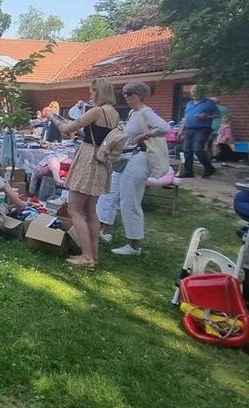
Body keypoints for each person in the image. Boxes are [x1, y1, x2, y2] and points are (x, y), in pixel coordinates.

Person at [97, 82, 171, 256]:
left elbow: (165, 128)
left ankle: (134, 245)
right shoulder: (133, 113)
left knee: (130, 199)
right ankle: (105, 231)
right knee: (109, 192)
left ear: (139, 95)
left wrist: (147, 135)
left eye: (130, 93)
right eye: (124, 93)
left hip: (140, 159)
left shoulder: (146, 112)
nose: (126, 96)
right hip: (126, 157)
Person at [54, 78, 120, 270]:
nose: (90, 95)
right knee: (91, 211)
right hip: (101, 161)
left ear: (99, 92)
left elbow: (66, 129)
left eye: (92, 91)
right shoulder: (114, 113)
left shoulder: (96, 111)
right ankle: (94, 256)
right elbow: (96, 134)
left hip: (88, 160)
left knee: (74, 209)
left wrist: (54, 118)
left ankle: (86, 257)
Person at [178, 85, 219, 178]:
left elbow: (217, 115)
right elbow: (186, 117)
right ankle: (188, 172)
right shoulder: (189, 103)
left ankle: (209, 168)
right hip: (189, 129)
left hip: (202, 129)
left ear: (201, 92)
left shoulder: (209, 102)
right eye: (192, 92)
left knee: (197, 149)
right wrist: (181, 130)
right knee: (186, 150)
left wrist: (206, 116)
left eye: (196, 92)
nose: (194, 94)